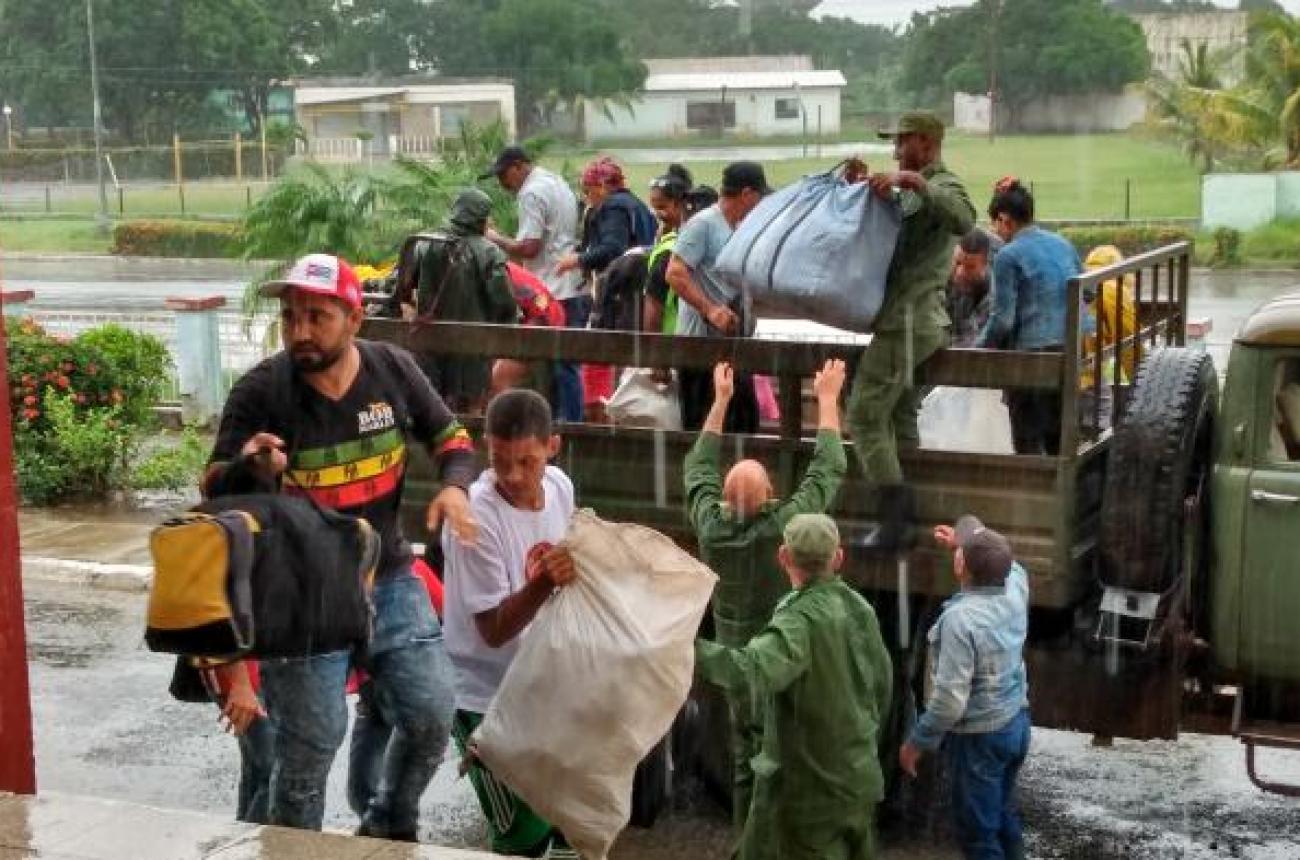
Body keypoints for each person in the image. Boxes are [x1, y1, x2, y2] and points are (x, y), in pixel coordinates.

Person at [203, 253, 478, 837]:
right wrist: (250, 465)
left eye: (317, 317)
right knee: (310, 745)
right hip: (302, 594)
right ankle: (292, 849)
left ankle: (386, 827)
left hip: (390, 574)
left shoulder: (394, 369)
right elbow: (211, 487)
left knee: (432, 714)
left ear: (354, 320)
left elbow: (452, 438)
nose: (300, 331)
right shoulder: (261, 390)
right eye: (291, 317)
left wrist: (455, 490)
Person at [684, 358, 849, 831]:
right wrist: (829, 400)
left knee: (744, 761)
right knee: (782, 759)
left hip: (738, 670)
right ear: (772, 495)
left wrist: (719, 402)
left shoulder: (711, 529)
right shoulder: (782, 531)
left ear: (721, 499)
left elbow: (698, 467)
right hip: (776, 667)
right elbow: (828, 468)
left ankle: (746, 837)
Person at [695, 513, 893, 860]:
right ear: (839, 557)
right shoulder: (859, 608)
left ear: (783, 556)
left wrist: (683, 647)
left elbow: (750, 670)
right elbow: (882, 687)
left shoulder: (798, 619)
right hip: (857, 778)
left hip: (807, 794)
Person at [441, 388, 580, 859]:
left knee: (570, 822)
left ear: (553, 448)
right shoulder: (475, 517)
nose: (514, 476)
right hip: (487, 701)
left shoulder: (560, 486)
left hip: (544, 684)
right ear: (486, 446)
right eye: (501, 461)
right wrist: (543, 584)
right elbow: (493, 629)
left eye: (528, 462)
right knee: (522, 836)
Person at [845, 111, 975, 531]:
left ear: (925, 142)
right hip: (910, 321)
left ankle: (895, 522)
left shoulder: (942, 184)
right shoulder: (910, 191)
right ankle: (910, 514)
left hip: (910, 320)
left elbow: (965, 217)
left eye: (902, 143)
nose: (896, 152)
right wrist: (864, 190)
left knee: (864, 415)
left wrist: (915, 182)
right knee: (898, 414)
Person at [899, 515, 1030, 860]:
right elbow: (1008, 560)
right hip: (1016, 722)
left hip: (979, 737)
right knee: (1002, 813)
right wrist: (964, 540)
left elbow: (949, 702)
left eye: (961, 554)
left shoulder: (961, 620)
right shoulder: (1016, 584)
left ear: (964, 569)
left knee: (977, 836)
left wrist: (918, 740)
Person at [975, 177, 1081, 455]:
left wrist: (977, 349)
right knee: (1059, 442)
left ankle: (1031, 495)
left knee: (1027, 445)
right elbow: (1087, 292)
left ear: (1005, 220)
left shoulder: (1008, 256)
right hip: (1068, 353)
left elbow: (1002, 319)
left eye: (995, 223)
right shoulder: (1062, 244)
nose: (995, 231)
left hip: (1029, 362)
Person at [482, 146, 585, 422]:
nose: (503, 185)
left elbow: (529, 247)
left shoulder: (531, 192)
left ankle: (563, 427)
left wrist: (492, 237)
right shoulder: (557, 182)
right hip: (572, 284)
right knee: (568, 363)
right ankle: (569, 424)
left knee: (557, 367)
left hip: (550, 289)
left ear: (518, 167)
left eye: (504, 176)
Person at [666, 161, 768, 432]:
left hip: (733, 344)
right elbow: (675, 273)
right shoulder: (703, 225)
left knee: (744, 425)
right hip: (701, 345)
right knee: (705, 428)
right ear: (746, 194)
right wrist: (709, 309)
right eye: (759, 197)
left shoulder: (741, 227)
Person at [557, 156, 656, 418]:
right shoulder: (638, 206)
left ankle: (599, 418)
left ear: (601, 187)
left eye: (588, 191)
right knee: (629, 358)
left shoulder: (612, 207)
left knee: (601, 353)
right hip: (642, 292)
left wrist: (577, 260)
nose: (587, 198)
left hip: (620, 293)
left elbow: (613, 248)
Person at [414, 187, 519, 413]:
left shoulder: (425, 243)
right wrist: (509, 327)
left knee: (432, 404)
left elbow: (401, 285)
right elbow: (505, 302)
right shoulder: (489, 252)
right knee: (472, 406)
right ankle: (467, 446)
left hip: (430, 341)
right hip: (473, 345)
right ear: (480, 219)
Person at [643, 164, 714, 335]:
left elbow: (653, 311)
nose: (657, 214)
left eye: (661, 207)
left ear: (680, 204)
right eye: (654, 208)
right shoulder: (694, 241)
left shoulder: (671, 252)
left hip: (674, 341)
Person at [1079, 244, 1138, 433]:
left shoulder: (1080, 279)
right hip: (1084, 375)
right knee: (1098, 426)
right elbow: (1128, 341)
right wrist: (1142, 384)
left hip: (1053, 367)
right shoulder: (1113, 288)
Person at [948, 228, 1002, 349]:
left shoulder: (994, 290)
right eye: (958, 263)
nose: (960, 272)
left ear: (985, 264)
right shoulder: (941, 280)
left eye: (970, 267)